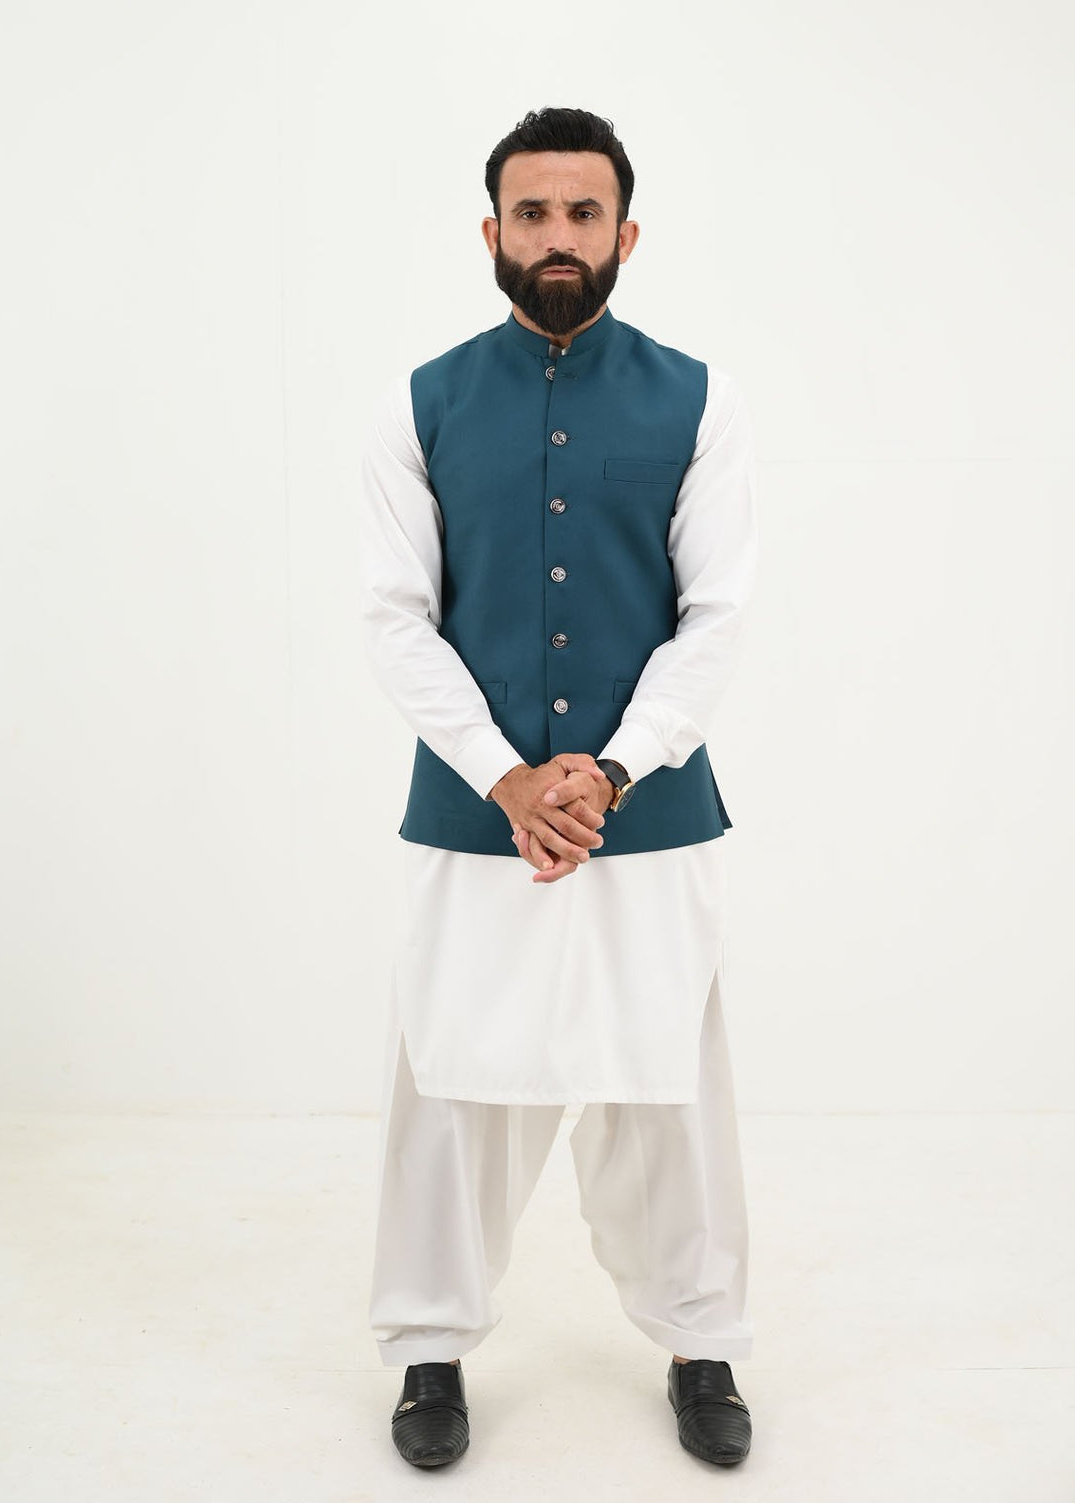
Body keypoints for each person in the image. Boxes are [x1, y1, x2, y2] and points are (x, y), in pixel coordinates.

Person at [359, 106, 759, 1470]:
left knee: (670, 1093)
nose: (558, 236)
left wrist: (615, 769)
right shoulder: (419, 403)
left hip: (651, 820)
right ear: (493, 231)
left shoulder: (699, 401)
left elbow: (716, 616)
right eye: (532, 213)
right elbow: (396, 618)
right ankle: (428, 1351)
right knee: (449, 1087)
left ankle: (701, 1341)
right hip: (473, 821)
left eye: (583, 212)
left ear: (626, 233)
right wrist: (508, 779)